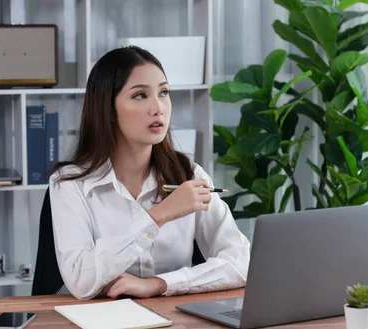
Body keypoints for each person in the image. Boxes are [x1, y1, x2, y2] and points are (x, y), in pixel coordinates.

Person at [47, 46, 251, 301]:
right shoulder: (70, 184)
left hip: (176, 319)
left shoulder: (189, 174)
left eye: (163, 93)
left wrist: (159, 284)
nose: (158, 108)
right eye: (141, 95)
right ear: (108, 110)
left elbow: (240, 262)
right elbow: (80, 281)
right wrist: (158, 216)